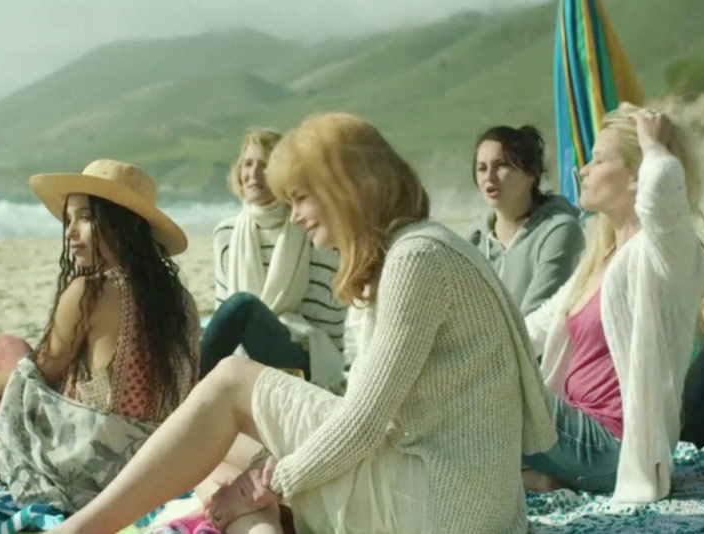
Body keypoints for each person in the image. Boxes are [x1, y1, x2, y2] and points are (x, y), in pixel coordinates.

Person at [45, 113, 556, 534]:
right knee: (224, 453)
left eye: (302, 197)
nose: (295, 216)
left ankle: (80, 530)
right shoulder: (417, 248)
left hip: (444, 509)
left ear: (346, 188)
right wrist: (263, 480)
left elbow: (363, 423)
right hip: (461, 497)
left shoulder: (415, 259)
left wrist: (269, 482)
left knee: (230, 384)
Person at [0, 159, 200, 481]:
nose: (71, 232)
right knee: (15, 353)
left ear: (124, 224)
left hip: (95, 461)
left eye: (86, 217)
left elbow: (32, 381)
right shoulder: (183, 302)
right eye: (69, 219)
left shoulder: (91, 291)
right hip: (161, 459)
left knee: (5, 347)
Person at [522, 104, 704, 502]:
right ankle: (538, 479)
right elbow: (536, 327)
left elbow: (663, 191)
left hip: (613, 448)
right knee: (478, 383)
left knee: (496, 388)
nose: (584, 170)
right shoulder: (601, 256)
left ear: (635, 176)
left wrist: (652, 145)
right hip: (574, 434)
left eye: (598, 159)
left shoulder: (663, 256)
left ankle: (534, 477)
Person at [204, 128, 346, 388]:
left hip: (303, 360)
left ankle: (180, 393)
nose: (253, 173)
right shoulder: (226, 233)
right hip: (245, 354)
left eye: (265, 165)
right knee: (234, 311)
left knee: (244, 306)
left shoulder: (313, 228)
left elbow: (329, 324)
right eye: (247, 164)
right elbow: (223, 311)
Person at [467, 125, 584, 315]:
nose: (489, 177)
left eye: (501, 165)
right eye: (482, 168)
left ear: (531, 172)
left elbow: (537, 314)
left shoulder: (558, 231)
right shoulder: (474, 239)